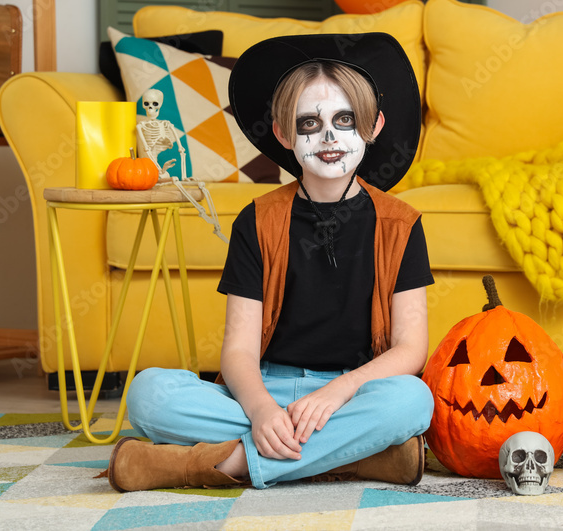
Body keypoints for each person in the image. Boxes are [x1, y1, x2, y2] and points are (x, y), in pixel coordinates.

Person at [105, 33, 435, 491]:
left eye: (344, 120)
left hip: (351, 393)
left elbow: (409, 349)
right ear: (281, 133)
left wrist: (336, 392)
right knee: (148, 394)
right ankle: (357, 458)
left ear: (373, 126)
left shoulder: (401, 225)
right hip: (264, 389)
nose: (328, 138)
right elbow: (238, 351)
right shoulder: (257, 222)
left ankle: (224, 463)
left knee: (413, 401)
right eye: (307, 124)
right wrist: (261, 410)